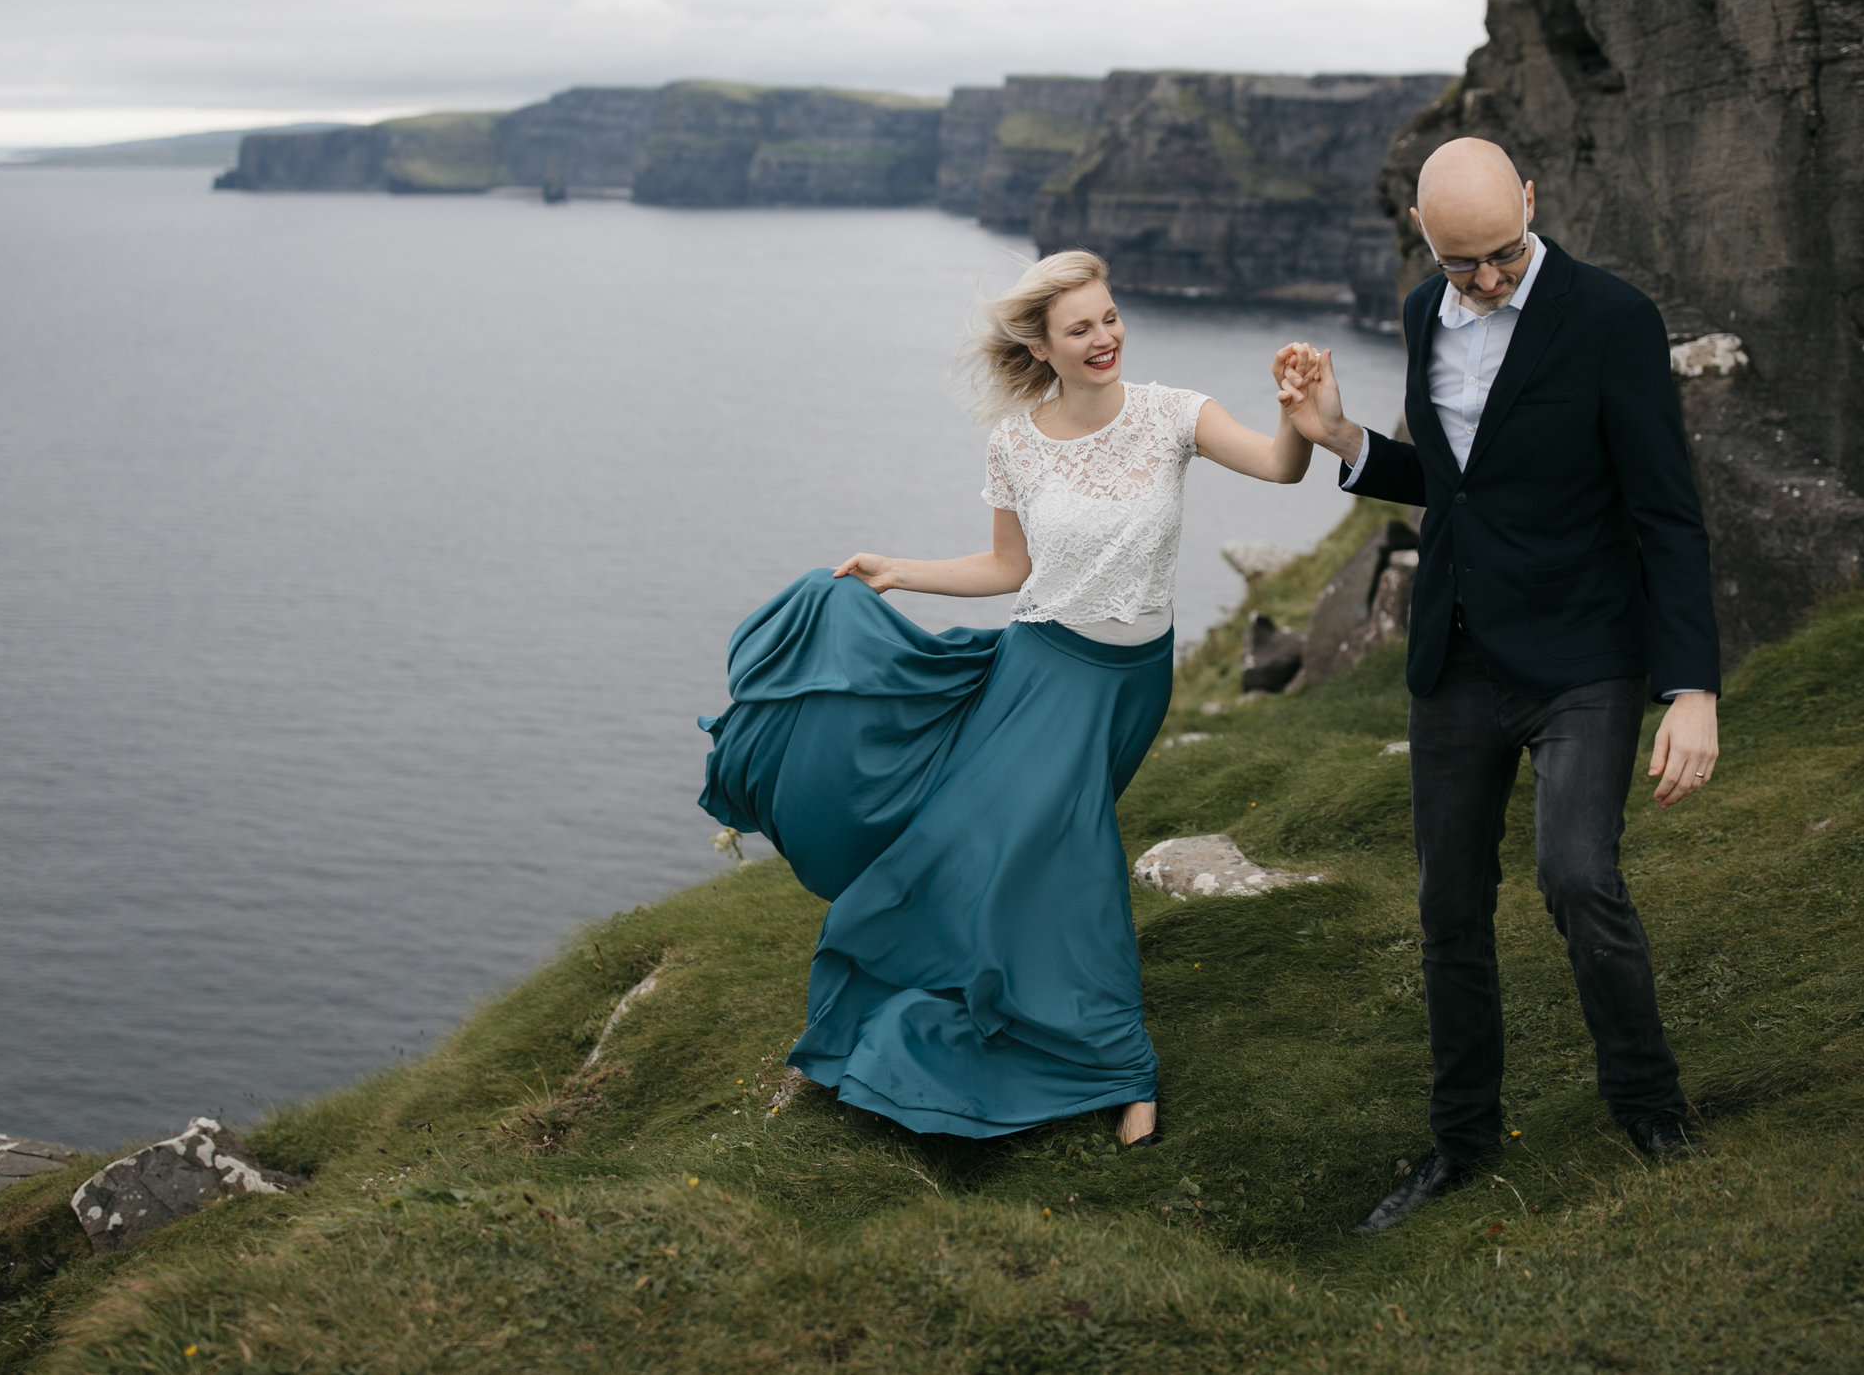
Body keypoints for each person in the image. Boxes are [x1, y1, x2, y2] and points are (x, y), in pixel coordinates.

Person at [698, 249, 1315, 1147]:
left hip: (1128, 681)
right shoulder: (1016, 440)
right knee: (1048, 855)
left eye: (1109, 317)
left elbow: (1279, 466)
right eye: (1081, 328)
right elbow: (1010, 568)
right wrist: (898, 570)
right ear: (1043, 344)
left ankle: (1078, 1038)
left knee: (1042, 849)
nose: (1104, 337)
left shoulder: (1175, 414)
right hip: (1040, 666)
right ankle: (1116, 1062)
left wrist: (1298, 417)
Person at [1272, 136, 1722, 1233]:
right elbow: (1451, 483)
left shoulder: (1612, 317)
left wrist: (1692, 689)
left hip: (1584, 652)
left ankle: (1653, 1113)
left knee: (1577, 875)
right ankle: (1460, 1141)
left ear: (1531, 199)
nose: (1483, 280)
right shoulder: (1428, 314)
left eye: (1501, 254)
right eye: (1458, 261)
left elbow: (1664, 510)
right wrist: (1338, 434)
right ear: (1426, 241)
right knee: (1444, 908)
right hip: (1458, 653)